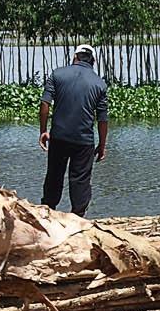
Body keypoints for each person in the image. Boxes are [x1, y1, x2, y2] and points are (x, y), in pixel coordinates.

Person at [39, 43, 108, 215]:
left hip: (59, 136)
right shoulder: (99, 84)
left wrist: (43, 130)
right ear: (93, 61)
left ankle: (48, 212)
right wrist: (102, 144)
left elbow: (45, 104)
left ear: (75, 57)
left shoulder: (57, 74)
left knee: (54, 175)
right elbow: (102, 119)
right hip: (84, 140)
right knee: (80, 180)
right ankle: (78, 216)